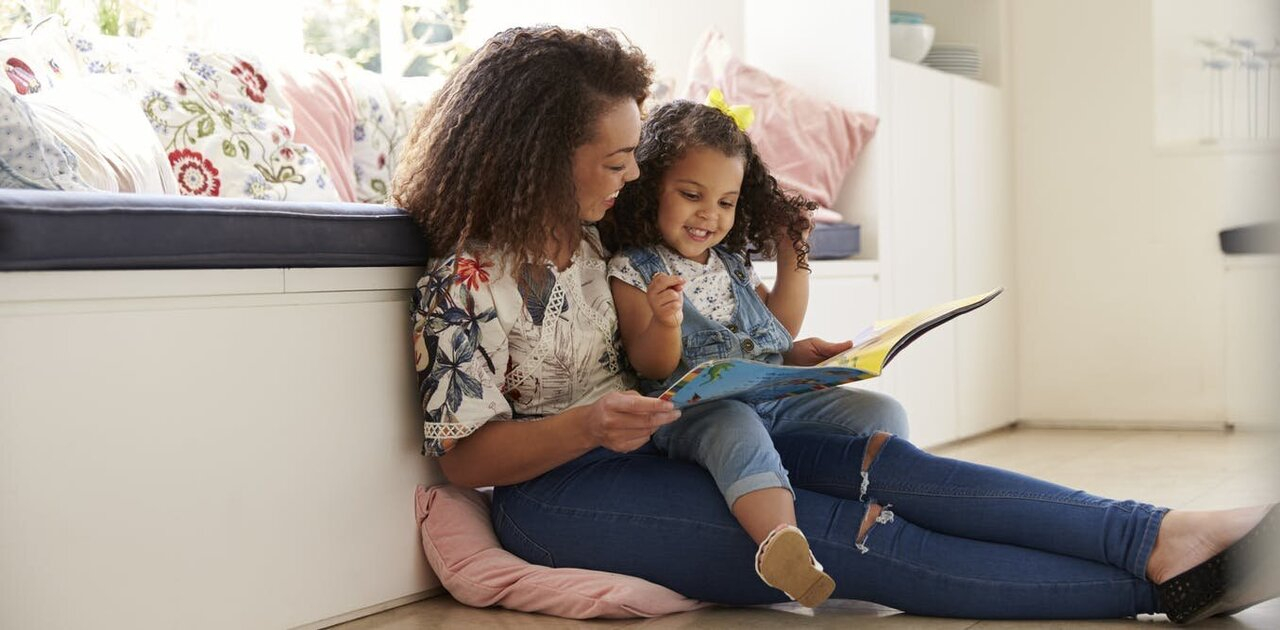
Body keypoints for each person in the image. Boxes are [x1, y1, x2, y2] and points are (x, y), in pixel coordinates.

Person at [393, 25, 1278, 624]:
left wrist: (781, 361)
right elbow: (465, 455)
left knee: (894, 468)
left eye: (634, 159)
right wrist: (588, 423)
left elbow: (697, 298)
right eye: (616, 160)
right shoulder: (461, 282)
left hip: (667, 436)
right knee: (852, 538)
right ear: (541, 159)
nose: (630, 178)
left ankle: (1161, 535)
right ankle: (1154, 586)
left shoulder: (602, 244)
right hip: (564, 496)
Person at [600, 96, 907, 607]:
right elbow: (649, 365)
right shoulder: (635, 269)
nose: (709, 214)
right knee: (735, 428)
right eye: (692, 194)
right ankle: (783, 545)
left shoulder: (731, 263)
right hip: (696, 412)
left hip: (773, 396)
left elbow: (778, 331)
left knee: (882, 410)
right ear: (652, 187)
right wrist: (664, 320)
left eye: (726, 202)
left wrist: (796, 262)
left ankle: (878, 508)